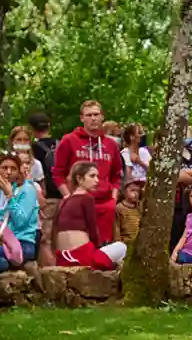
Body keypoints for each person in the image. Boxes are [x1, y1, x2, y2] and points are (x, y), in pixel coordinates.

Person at [53, 99, 121, 238]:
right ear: (82, 118)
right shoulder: (69, 140)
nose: (93, 118)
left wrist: (113, 200)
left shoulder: (111, 144)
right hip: (78, 203)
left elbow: (117, 175)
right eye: (89, 115)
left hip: (105, 205)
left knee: (102, 249)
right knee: (80, 247)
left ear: (102, 117)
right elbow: (58, 173)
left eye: (96, 114)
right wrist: (68, 197)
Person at [53, 162, 126, 269]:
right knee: (122, 247)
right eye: (92, 176)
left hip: (62, 258)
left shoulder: (65, 200)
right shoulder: (87, 198)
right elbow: (93, 231)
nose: (97, 180)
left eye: (97, 176)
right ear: (79, 179)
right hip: (81, 256)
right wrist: (98, 246)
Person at [0, 155, 42, 260]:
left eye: (13, 168)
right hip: (0, 242)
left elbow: (20, 223)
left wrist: (10, 197)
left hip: (22, 243)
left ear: (19, 172)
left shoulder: (27, 190)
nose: (8, 172)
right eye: (4, 168)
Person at [27, 113, 58, 193]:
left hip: (43, 192)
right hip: (61, 190)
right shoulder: (60, 144)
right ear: (49, 126)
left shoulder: (32, 148)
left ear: (32, 129)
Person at [114, 179, 144, 245]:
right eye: (132, 190)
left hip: (138, 243)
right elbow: (116, 228)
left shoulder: (139, 207)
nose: (136, 193)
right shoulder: (119, 208)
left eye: (138, 191)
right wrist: (118, 243)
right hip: (125, 242)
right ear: (124, 191)